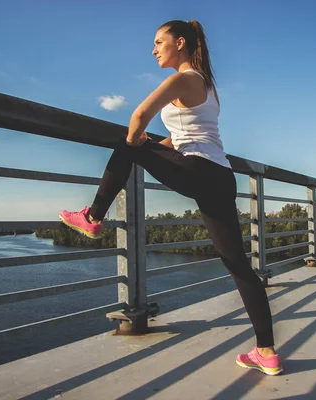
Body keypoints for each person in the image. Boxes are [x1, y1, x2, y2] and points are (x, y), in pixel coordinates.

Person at [59, 19, 282, 376]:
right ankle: (266, 351)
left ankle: (94, 216)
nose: (153, 49)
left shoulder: (182, 78)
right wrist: (148, 147)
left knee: (126, 141)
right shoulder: (206, 84)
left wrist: (134, 146)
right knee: (239, 266)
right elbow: (183, 136)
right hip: (221, 177)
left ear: (179, 43)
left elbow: (139, 116)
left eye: (158, 42)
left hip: (197, 170)